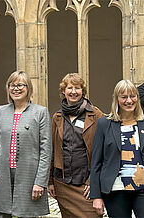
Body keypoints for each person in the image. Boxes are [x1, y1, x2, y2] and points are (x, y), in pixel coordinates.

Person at [90, 79, 144, 217]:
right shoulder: (104, 124)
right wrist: (96, 196)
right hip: (116, 190)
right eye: (124, 97)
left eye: (133, 96)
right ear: (116, 99)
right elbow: (96, 163)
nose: (129, 101)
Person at [0, 71, 52, 217]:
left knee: (27, 214)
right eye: (12, 85)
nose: (16, 88)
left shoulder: (40, 112)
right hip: (3, 176)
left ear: (28, 88)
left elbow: (45, 151)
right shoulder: (1, 111)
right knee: (0, 214)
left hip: (29, 176)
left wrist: (40, 182)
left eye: (20, 85)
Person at [47, 73, 104, 217]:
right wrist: (50, 181)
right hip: (63, 183)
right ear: (63, 91)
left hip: (86, 182)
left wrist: (94, 181)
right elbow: (52, 150)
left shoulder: (95, 114)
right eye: (69, 88)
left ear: (82, 91)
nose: (73, 91)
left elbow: (103, 150)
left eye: (77, 88)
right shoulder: (57, 117)